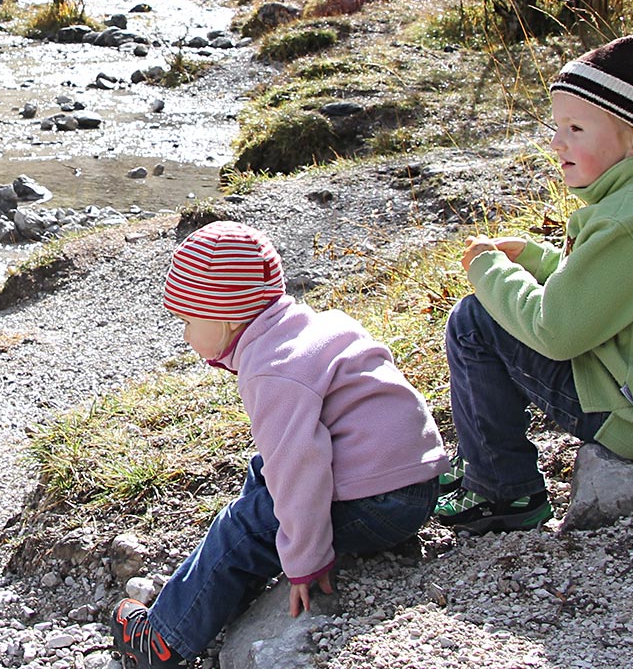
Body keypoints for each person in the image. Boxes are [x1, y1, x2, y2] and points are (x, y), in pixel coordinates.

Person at [434, 34, 633, 534]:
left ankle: (501, 490)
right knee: (493, 312)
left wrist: (488, 270)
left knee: (475, 321)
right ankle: (487, 469)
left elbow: (556, 332)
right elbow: (617, 288)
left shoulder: (628, 222)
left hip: (632, 418)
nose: (558, 143)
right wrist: (537, 260)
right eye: (558, 127)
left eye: (577, 128)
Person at [110, 221, 448, 668]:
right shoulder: (314, 327)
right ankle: (237, 577)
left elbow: (299, 468)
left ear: (227, 315)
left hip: (378, 505)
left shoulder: (272, 370)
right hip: (417, 488)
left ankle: (164, 638)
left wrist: (306, 559)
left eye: (188, 321)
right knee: (262, 471)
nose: (186, 335)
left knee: (243, 526)